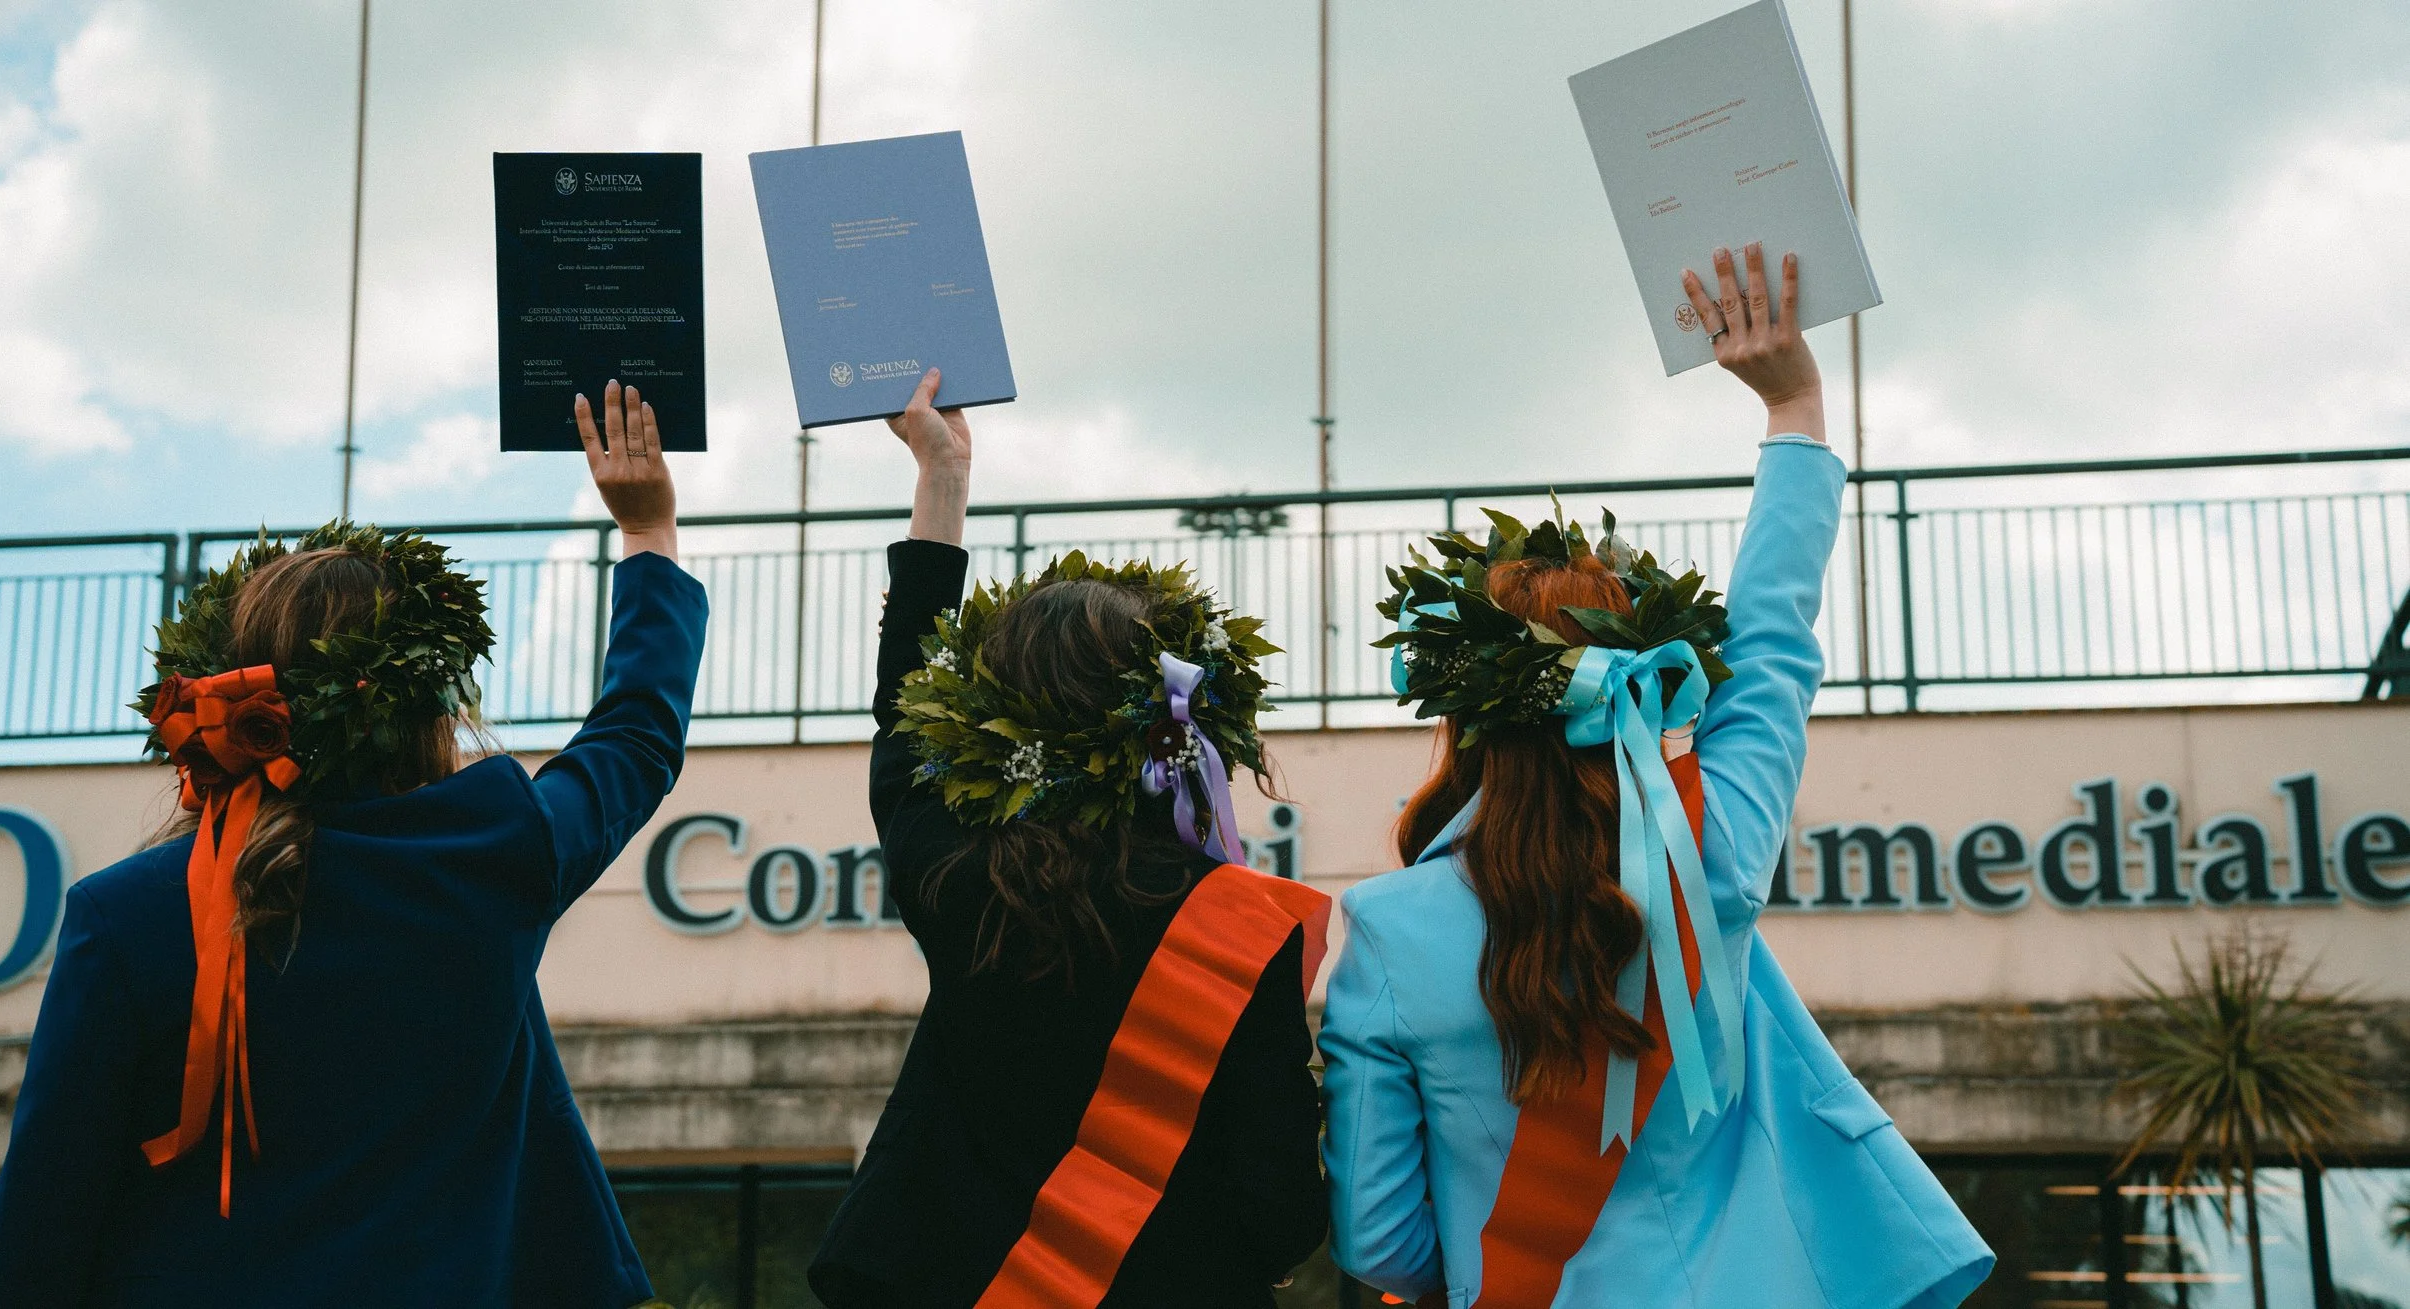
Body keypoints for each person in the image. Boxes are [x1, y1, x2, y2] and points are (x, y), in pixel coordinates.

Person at [1320, 246, 1994, 1308]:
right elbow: (1771, 644)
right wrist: (1793, 408)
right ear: (1634, 679)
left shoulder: (1385, 934)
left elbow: (1380, 1240)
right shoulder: (1710, 845)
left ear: (1463, 715)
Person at [0, 382, 705, 1307]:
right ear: (423, 707)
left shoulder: (121, 918)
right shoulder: (494, 853)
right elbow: (635, 735)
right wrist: (647, 529)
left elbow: (37, 1236)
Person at [808, 370, 1329, 1308]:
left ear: (996, 712)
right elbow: (1280, 1201)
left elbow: (903, 709)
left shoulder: (957, 876)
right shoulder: (1239, 927)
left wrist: (942, 475)